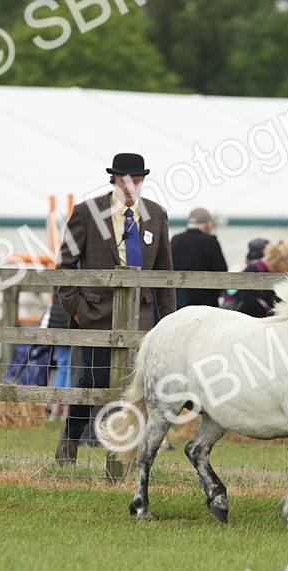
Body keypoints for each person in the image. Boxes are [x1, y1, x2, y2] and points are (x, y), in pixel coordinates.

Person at [54, 153, 177, 465]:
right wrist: (78, 310)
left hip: (143, 316)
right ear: (113, 180)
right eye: (125, 181)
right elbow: (65, 266)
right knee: (92, 381)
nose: (130, 187)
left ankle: (125, 453)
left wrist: (169, 320)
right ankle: (70, 439)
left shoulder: (156, 214)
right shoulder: (87, 212)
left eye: (137, 181)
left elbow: (165, 272)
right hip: (96, 314)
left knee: (137, 386)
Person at [170, 207, 228, 308]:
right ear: (207, 225)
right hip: (205, 302)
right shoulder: (210, 242)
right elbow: (221, 270)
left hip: (179, 300)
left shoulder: (175, 240)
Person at [228, 240, 288, 318]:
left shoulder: (277, 273)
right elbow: (249, 302)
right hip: (248, 320)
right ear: (281, 260)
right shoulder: (253, 271)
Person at [42, 289, 72, 422]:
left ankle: (55, 409)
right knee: (71, 366)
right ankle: (66, 409)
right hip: (69, 319)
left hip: (56, 319)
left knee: (62, 365)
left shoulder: (59, 267)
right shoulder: (78, 268)